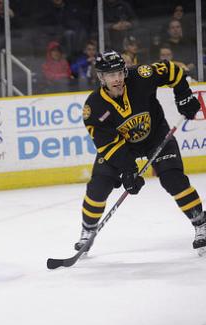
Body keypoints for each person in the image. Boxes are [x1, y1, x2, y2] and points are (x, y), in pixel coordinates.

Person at [75, 51, 205, 255]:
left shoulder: (141, 76)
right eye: (110, 75)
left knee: (173, 178)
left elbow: (172, 70)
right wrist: (128, 171)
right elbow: (109, 145)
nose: (117, 79)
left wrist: (184, 96)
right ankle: (88, 230)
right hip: (124, 147)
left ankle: (200, 223)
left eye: (119, 72)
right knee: (98, 186)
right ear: (101, 78)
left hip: (156, 137)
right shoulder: (94, 108)